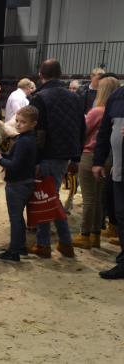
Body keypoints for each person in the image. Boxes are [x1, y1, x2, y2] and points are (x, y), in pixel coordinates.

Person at [28, 59, 85, 259]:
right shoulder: (76, 97)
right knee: (52, 197)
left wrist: (34, 160)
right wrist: (76, 158)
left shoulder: (39, 97)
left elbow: (38, 132)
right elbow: (81, 128)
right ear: (60, 74)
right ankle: (64, 243)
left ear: (41, 74)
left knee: (47, 198)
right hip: (66, 155)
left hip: (47, 155)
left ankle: (46, 245)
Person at [73, 77, 120, 250]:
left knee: (88, 198)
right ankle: (95, 236)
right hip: (108, 156)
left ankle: (84, 235)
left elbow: (83, 132)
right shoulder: (114, 111)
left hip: (90, 155)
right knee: (99, 198)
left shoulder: (97, 111)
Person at [0, 106, 39, 262]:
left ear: (33, 123)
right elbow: (16, 159)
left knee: (15, 218)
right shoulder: (28, 138)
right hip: (25, 182)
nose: (18, 124)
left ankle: (14, 251)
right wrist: (1, 154)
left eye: (23, 122)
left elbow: (14, 165)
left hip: (17, 184)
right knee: (18, 217)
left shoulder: (24, 141)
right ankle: (20, 246)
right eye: (17, 121)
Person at [93, 84, 124, 279]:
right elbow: (104, 131)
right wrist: (98, 161)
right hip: (119, 170)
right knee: (120, 216)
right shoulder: (118, 95)